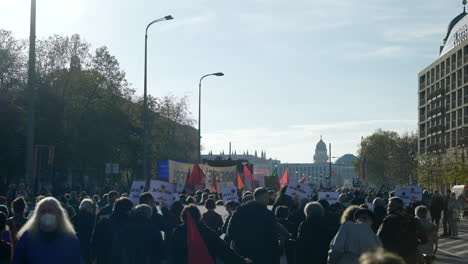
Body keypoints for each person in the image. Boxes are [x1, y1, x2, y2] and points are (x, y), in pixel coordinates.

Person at [169, 204, 250, 264]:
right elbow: (224, 250)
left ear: (182, 217)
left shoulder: (177, 232)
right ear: (199, 216)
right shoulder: (207, 231)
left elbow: (173, 254)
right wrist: (242, 261)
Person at [12, 197, 83, 264]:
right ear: (37, 215)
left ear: (59, 214)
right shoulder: (27, 237)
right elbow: (17, 260)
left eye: (50, 211)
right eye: (43, 211)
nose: (47, 214)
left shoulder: (70, 239)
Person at [228, 187, 279, 264]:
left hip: (243, 254)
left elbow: (231, 232)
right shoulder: (268, 215)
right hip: (264, 256)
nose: (268, 200)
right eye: (266, 198)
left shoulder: (239, 212)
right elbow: (273, 238)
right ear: (261, 198)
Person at [377, 197, 427, 264]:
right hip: (411, 257)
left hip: (394, 258)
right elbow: (424, 239)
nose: (387, 207)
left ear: (393, 207)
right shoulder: (412, 219)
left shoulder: (388, 220)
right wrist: (414, 243)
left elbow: (378, 239)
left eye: (389, 205)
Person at [92, 197, 133, 264]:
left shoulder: (103, 223)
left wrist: (94, 257)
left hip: (104, 259)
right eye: (130, 210)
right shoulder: (129, 226)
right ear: (126, 211)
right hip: (121, 259)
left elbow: (94, 241)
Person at [71, 198, 96, 264]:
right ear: (87, 207)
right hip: (87, 243)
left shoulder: (76, 216)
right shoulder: (90, 217)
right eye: (91, 207)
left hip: (77, 242)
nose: (92, 209)